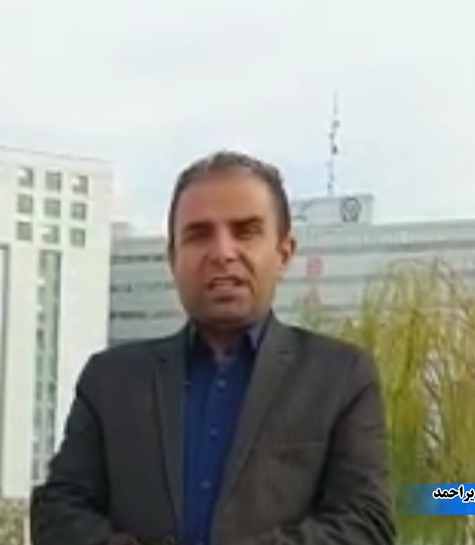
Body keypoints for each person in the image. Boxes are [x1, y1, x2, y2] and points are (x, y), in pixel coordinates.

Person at [29, 151, 394, 545]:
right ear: (173, 258)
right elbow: (57, 511)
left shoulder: (340, 377)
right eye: (199, 234)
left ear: (284, 253)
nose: (222, 252)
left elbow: (366, 523)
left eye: (246, 231)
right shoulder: (111, 380)